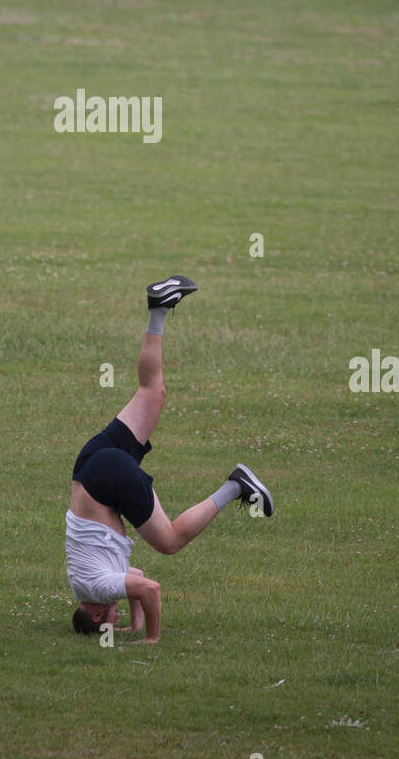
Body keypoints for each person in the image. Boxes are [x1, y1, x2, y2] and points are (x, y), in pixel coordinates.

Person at [66, 275, 274, 643]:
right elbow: (137, 579)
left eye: (109, 621)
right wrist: (134, 621)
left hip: (106, 479)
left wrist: (150, 639)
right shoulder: (86, 584)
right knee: (152, 392)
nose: (113, 617)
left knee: (170, 540)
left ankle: (235, 485)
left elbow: (151, 589)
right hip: (88, 466)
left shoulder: (97, 587)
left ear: (97, 612)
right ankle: (159, 308)